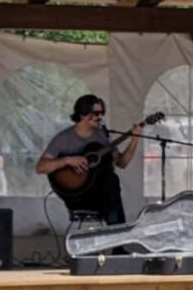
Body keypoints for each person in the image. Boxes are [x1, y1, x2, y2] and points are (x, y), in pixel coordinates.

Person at [35, 94, 142, 226]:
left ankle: (116, 238)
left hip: (99, 192)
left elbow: (122, 163)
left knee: (111, 179)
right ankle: (116, 235)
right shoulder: (64, 138)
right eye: (96, 113)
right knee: (111, 183)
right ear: (82, 114)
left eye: (102, 112)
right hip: (75, 194)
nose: (100, 117)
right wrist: (67, 160)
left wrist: (135, 140)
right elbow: (40, 167)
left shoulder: (101, 135)